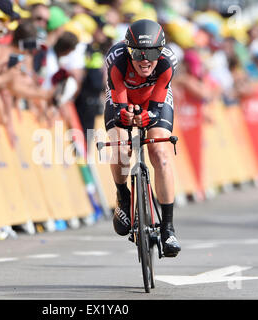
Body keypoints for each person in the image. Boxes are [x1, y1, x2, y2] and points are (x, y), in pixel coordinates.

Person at [104, 19, 181, 257]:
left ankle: (168, 227)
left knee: (160, 152)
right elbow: (118, 104)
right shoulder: (116, 60)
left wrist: (148, 117)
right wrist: (125, 116)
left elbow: (157, 106)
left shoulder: (168, 62)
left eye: (152, 52)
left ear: (161, 51)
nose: (145, 60)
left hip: (153, 100)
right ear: (129, 51)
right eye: (138, 53)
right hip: (124, 96)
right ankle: (123, 196)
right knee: (119, 144)